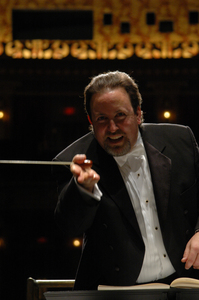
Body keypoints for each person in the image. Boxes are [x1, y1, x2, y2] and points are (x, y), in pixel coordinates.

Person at [54, 70, 199, 290]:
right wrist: (83, 190)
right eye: (102, 119)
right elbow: (69, 226)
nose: (112, 128)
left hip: (184, 283)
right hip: (113, 290)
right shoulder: (73, 160)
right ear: (90, 121)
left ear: (138, 114)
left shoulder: (181, 140)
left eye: (120, 115)